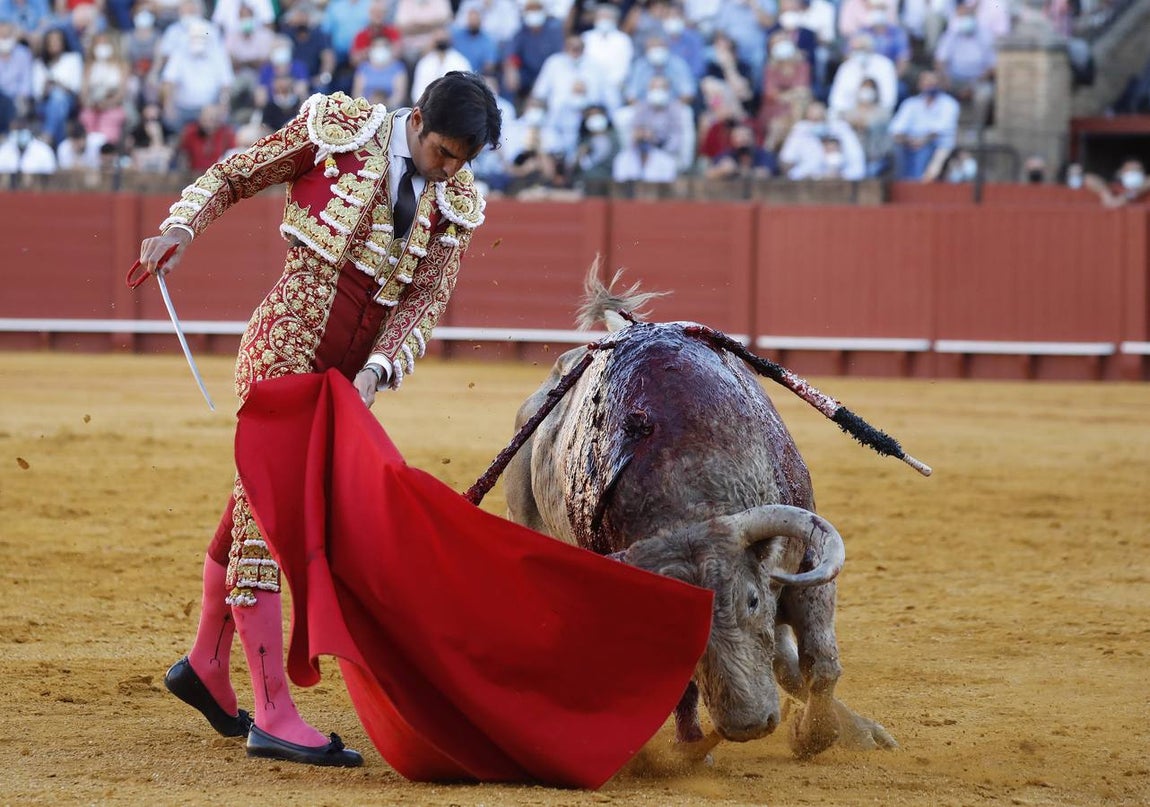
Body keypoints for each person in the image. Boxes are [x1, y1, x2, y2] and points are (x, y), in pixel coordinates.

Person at [135, 71, 502, 768]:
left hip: (345, 379)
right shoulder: (342, 129)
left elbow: (424, 302)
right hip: (284, 341)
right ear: (417, 118)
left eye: (463, 160)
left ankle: (207, 662)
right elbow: (240, 172)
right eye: (443, 153)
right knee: (274, 513)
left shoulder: (456, 201)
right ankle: (271, 711)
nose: (450, 170)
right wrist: (180, 224)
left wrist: (376, 371)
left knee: (257, 500)